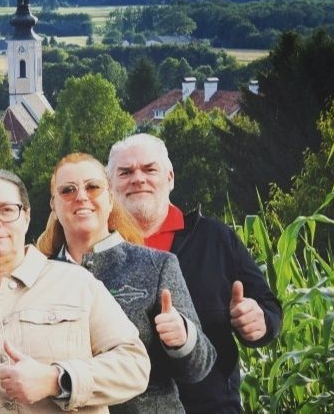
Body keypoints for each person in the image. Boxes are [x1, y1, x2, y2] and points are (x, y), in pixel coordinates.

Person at [0, 168, 151, 413]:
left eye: (7, 210)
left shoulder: (77, 283)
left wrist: (58, 380)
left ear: (26, 217)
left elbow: (134, 365)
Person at [107, 133, 283, 413]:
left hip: (211, 405)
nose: (138, 179)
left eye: (149, 169)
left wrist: (260, 321)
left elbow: (269, 307)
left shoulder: (215, 238)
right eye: (125, 172)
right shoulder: (98, 253)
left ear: (170, 178)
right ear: (109, 185)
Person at [35, 153, 216, 412]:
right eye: (68, 190)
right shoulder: (38, 277)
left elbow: (199, 368)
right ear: (54, 205)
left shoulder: (157, 265)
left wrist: (183, 338)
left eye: (92, 187)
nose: (81, 197)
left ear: (110, 199)